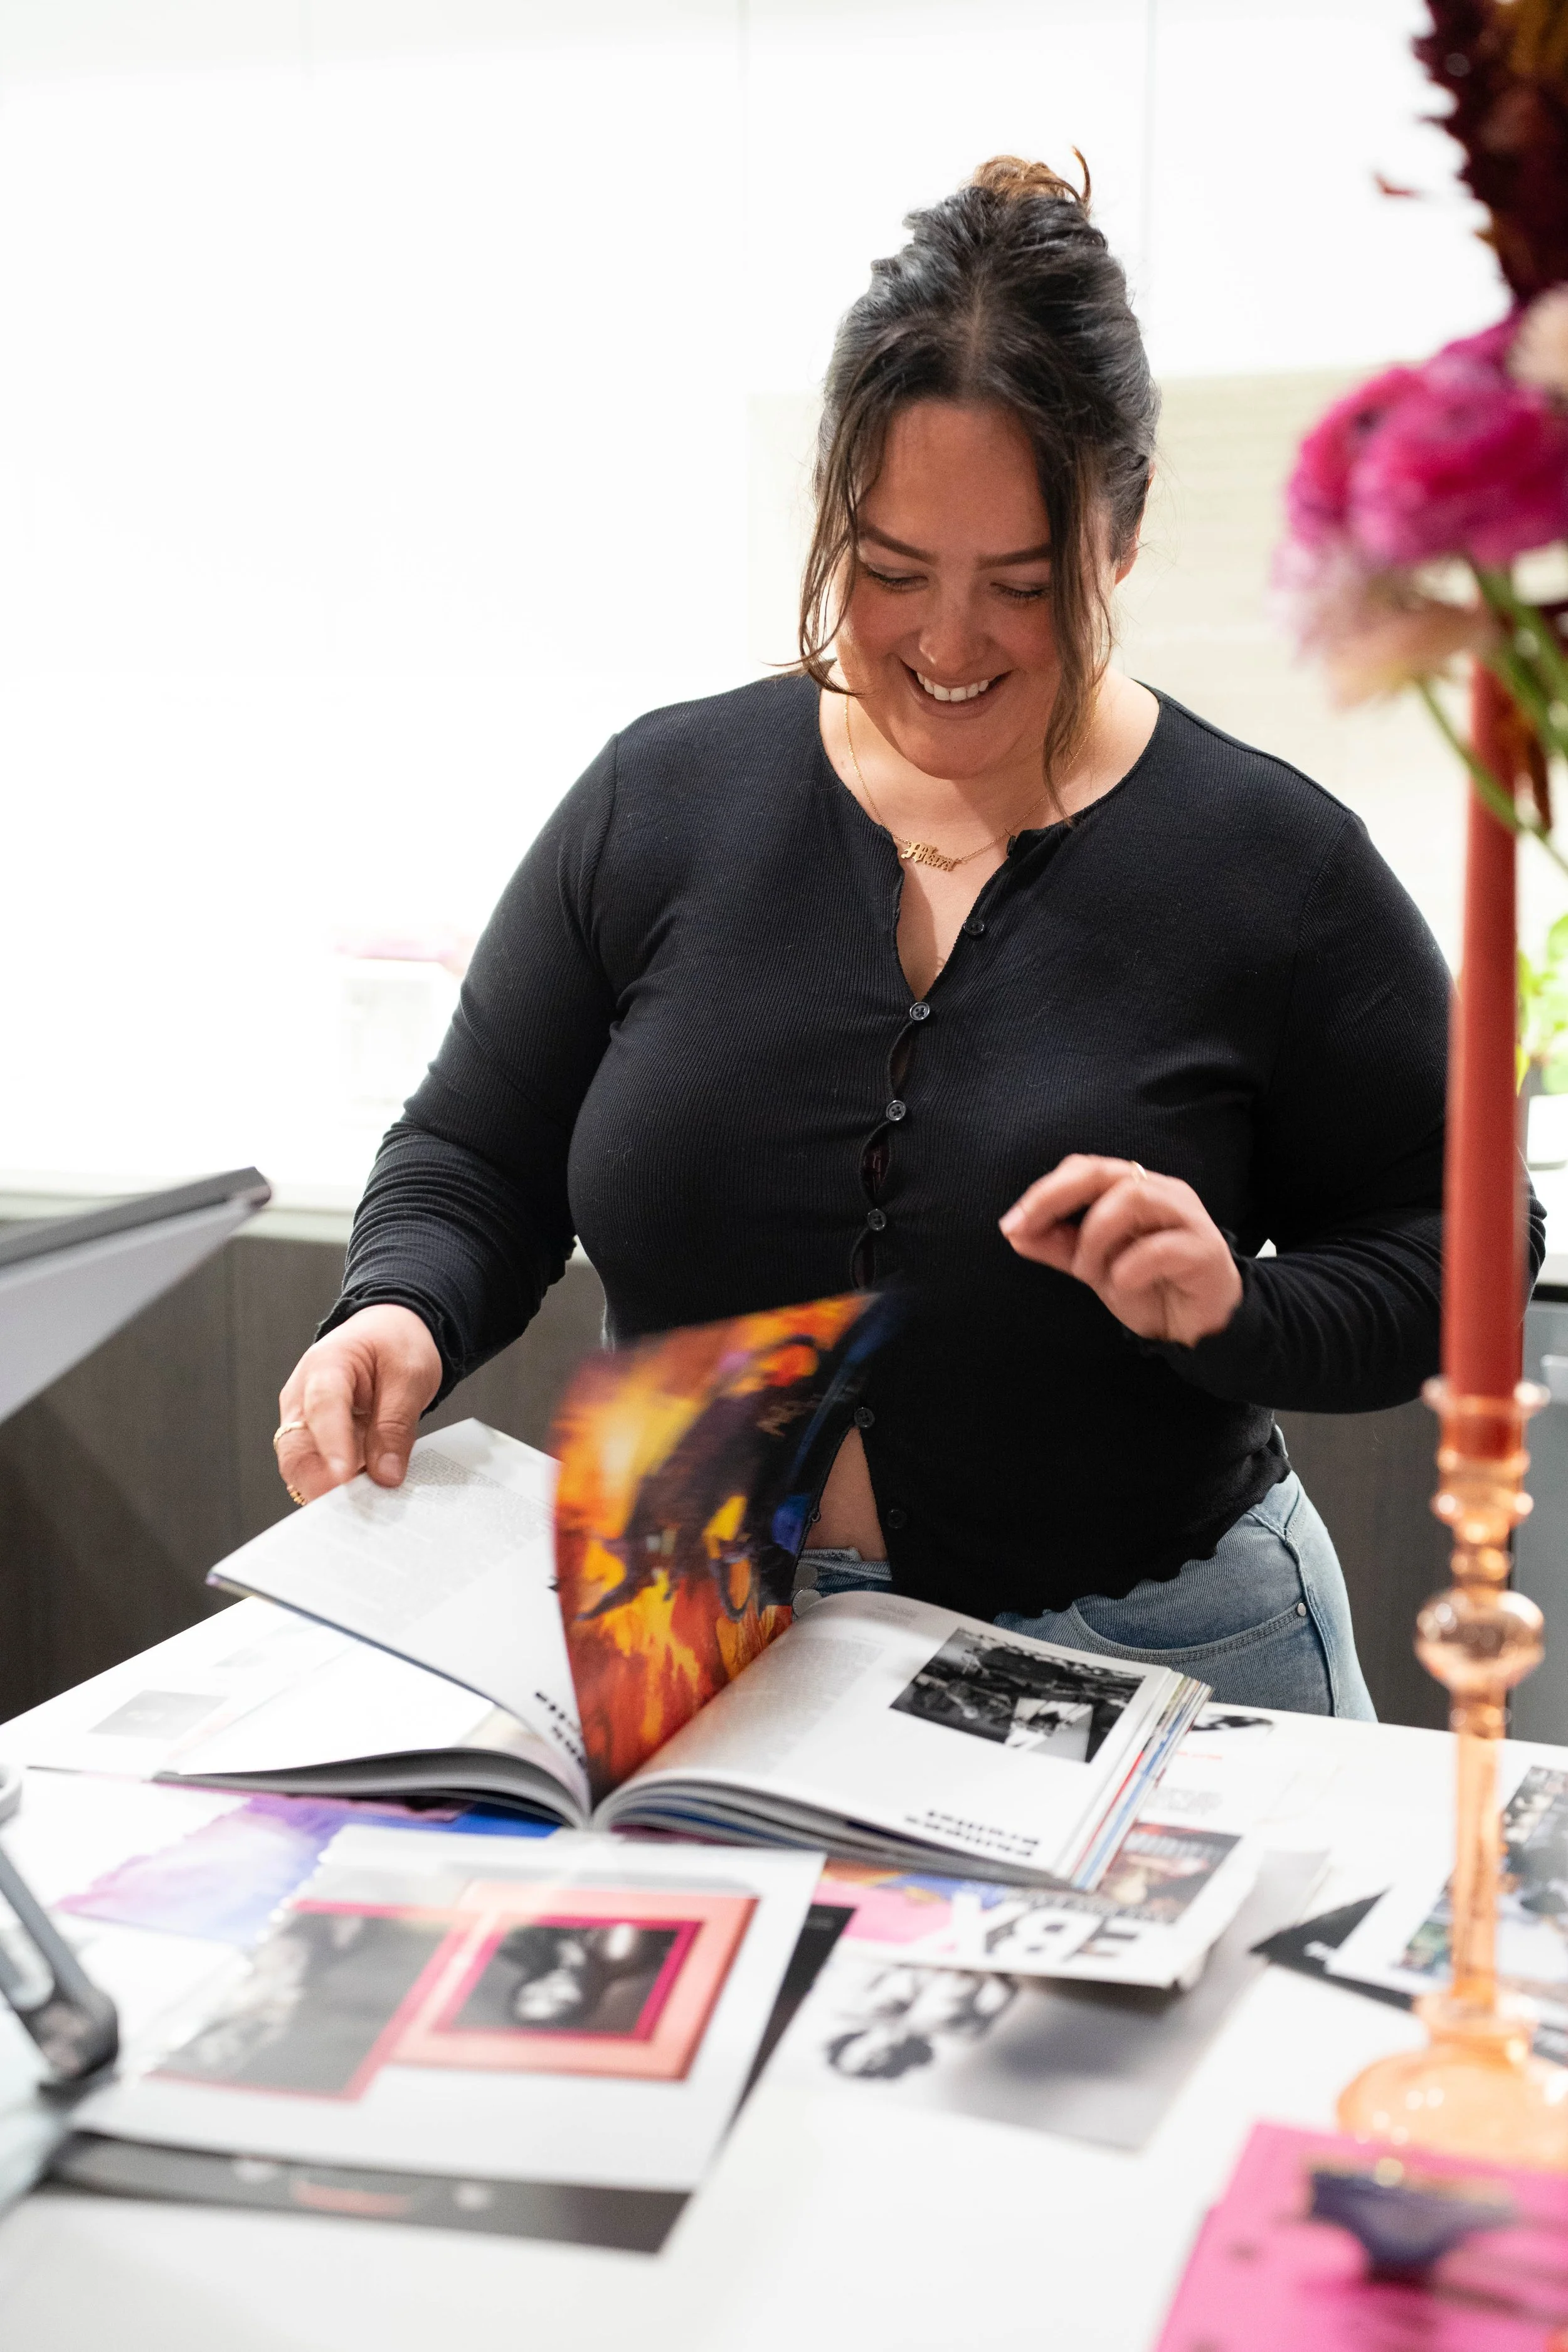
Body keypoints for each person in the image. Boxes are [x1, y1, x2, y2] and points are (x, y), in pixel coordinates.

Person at [273, 154, 1537, 1718]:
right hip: (692, 1634)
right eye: (886, 572)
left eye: (1018, 586)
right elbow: (474, 1155)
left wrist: (1236, 1308)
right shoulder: (659, 799)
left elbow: (1462, 1251)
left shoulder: (1272, 867)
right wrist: (397, 1307)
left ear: (1121, 540)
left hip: (1149, 1660)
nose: (945, 645)